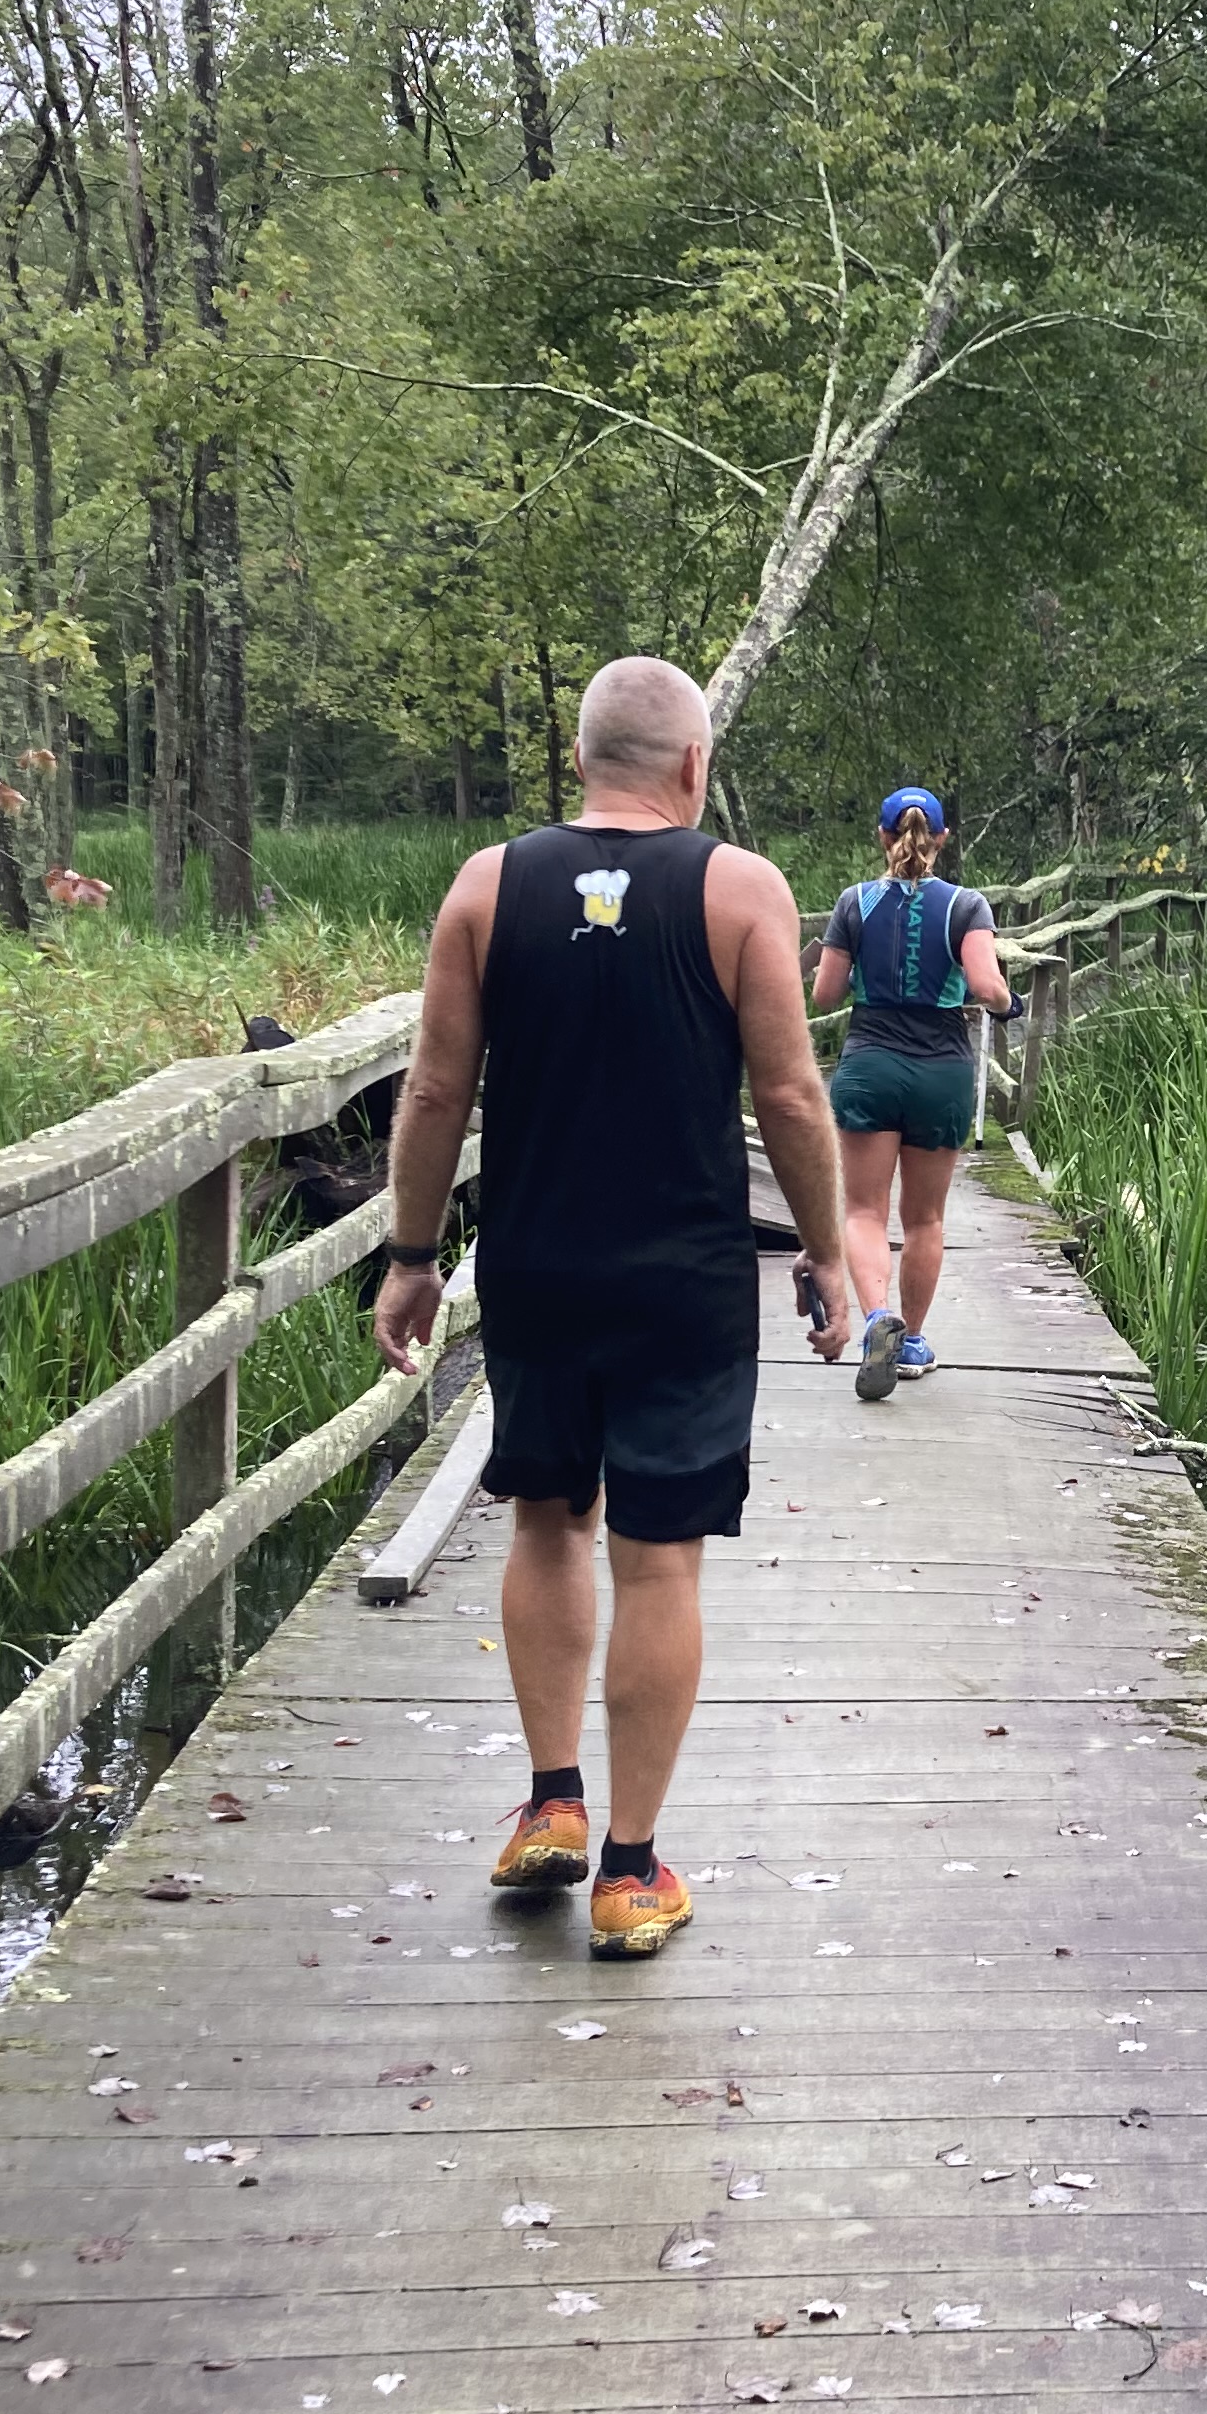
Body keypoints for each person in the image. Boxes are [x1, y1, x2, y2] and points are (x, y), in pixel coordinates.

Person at [374, 657, 856, 1961]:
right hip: (685, 1278)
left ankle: (550, 1801)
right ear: (693, 768)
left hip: (534, 1262)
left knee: (545, 1518)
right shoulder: (740, 889)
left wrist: (412, 1253)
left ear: (582, 759)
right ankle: (632, 1871)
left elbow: (431, 1090)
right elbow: (794, 1100)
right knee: (660, 1557)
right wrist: (826, 1255)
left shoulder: (490, 884)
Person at [811, 786, 1013, 1401]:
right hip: (942, 1071)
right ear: (942, 839)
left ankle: (877, 1318)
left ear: (881, 836)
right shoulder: (966, 905)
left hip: (871, 1063)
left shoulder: (855, 902)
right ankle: (914, 1339)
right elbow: (987, 986)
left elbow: (823, 995)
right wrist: (1010, 1003)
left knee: (864, 1211)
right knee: (924, 1217)